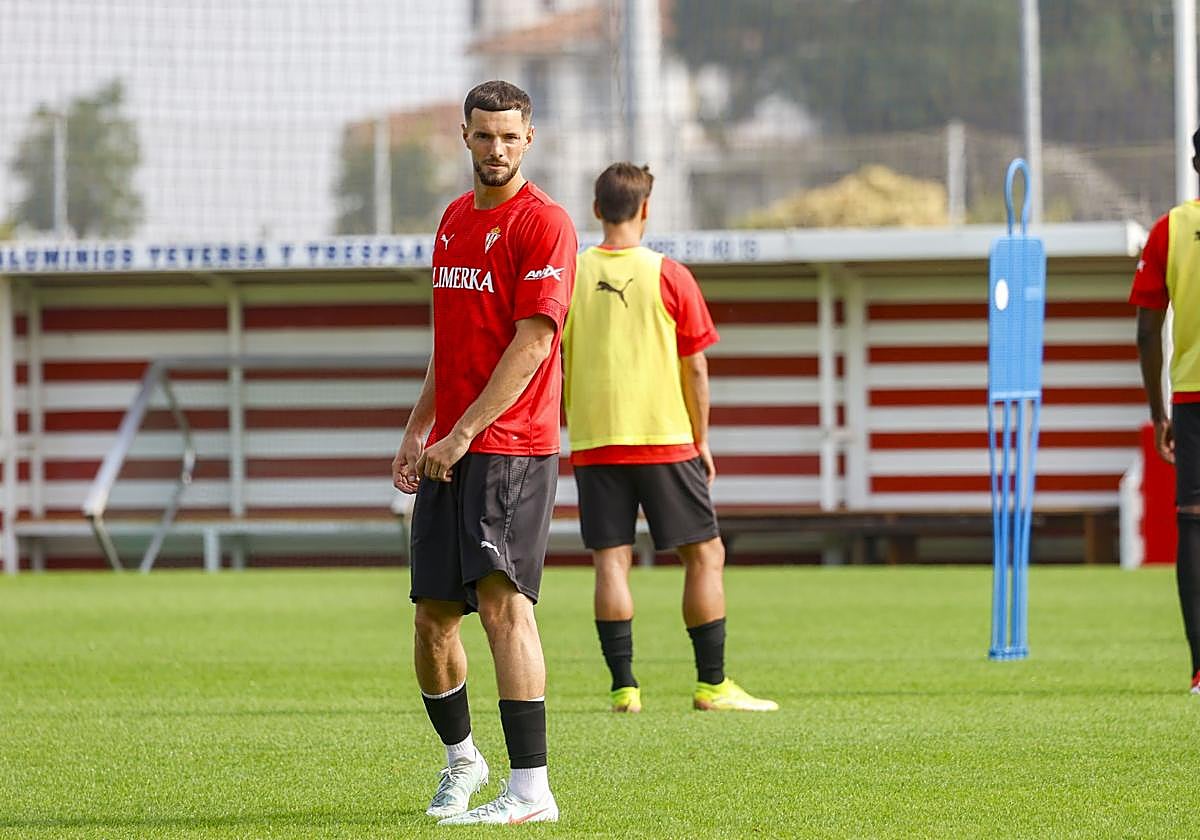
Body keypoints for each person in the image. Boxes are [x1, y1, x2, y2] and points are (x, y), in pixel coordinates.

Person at [392, 79, 576, 825]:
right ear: (464, 137)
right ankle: (462, 760)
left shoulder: (545, 223)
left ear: (529, 138)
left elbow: (533, 344)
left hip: (511, 446)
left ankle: (531, 791)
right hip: (449, 446)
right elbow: (453, 342)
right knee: (433, 619)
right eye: (483, 135)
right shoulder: (452, 220)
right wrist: (420, 428)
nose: (496, 148)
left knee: (503, 606)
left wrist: (464, 431)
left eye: (509, 136)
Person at [561, 162, 777, 714]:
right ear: (646, 209)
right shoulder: (670, 274)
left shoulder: (569, 275)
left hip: (594, 443)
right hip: (665, 439)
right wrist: (701, 438)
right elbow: (695, 367)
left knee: (611, 563)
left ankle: (624, 689)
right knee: (705, 554)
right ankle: (712, 685)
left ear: (596, 209)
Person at [1130, 126, 1200, 695]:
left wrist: (1159, 415)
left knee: (1194, 523)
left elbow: (1147, 331)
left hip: (1193, 398)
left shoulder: (1169, 229)